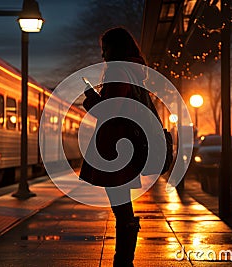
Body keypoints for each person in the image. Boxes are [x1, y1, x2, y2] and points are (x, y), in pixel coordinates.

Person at [79, 27, 147, 267]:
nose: (102, 55)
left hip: (115, 147)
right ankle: (123, 260)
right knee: (122, 206)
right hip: (124, 145)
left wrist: (90, 98)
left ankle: (123, 262)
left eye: (105, 49)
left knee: (121, 208)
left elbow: (110, 111)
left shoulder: (118, 70)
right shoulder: (133, 71)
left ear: (115, 48)